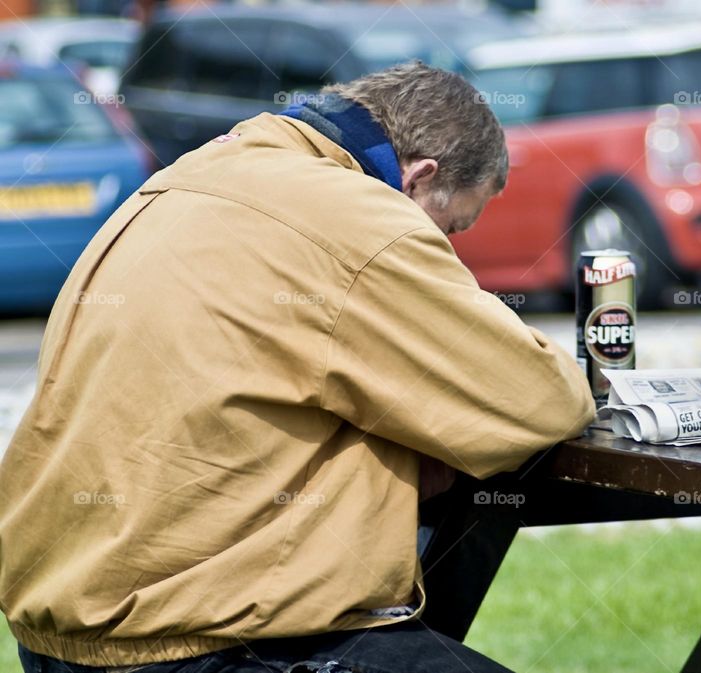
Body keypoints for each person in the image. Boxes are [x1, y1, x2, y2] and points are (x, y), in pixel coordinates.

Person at [0, 61, 595, 672]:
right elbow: (540, 400)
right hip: (190, 642)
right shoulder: (354, 214)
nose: (447, 251)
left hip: (59, 630)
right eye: (450, 228)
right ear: (418, 178)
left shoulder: (200, 171)